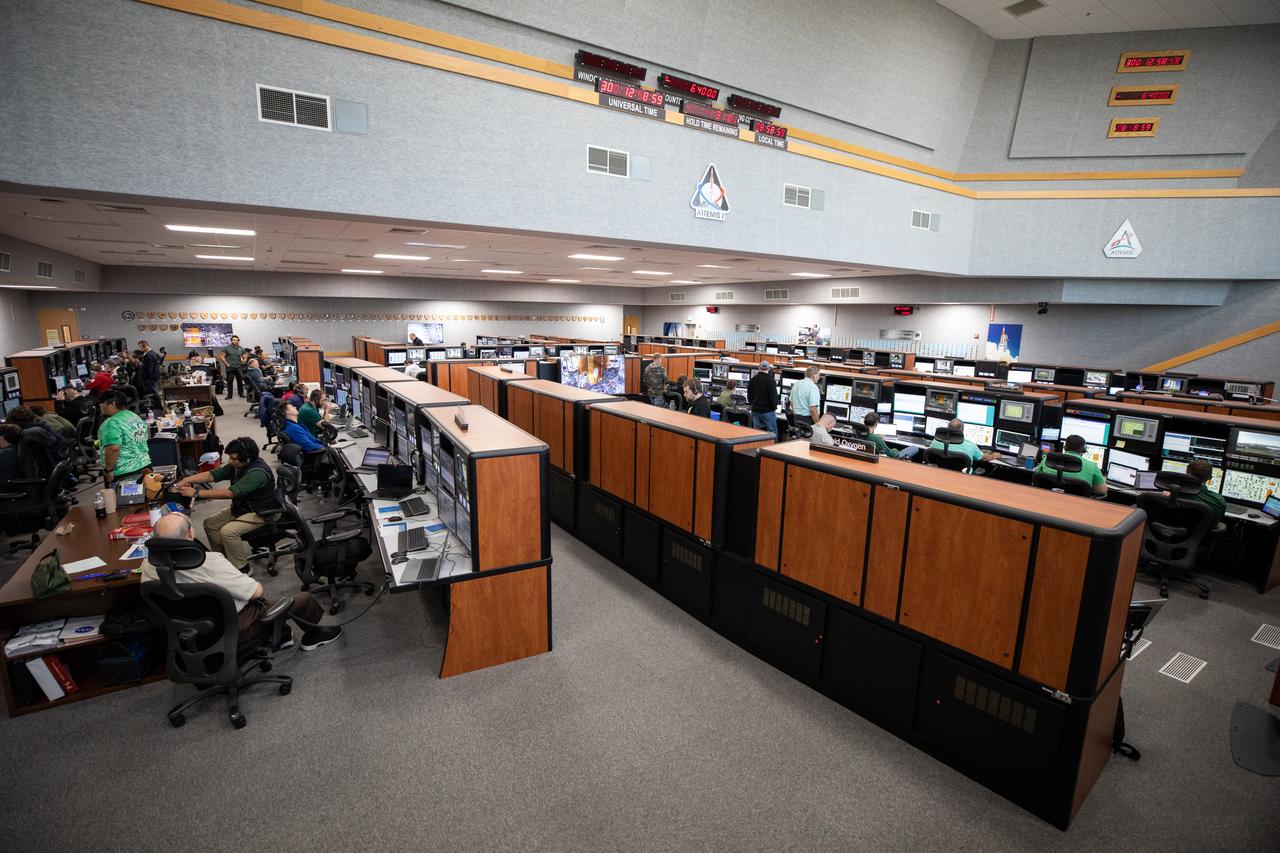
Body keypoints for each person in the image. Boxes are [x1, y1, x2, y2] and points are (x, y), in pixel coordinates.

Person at [142, 513, 342, 651]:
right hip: (235, 628)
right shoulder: (211, 562)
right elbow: (256, 592)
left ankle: (280, 634)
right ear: (190, 534)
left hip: (189, 633)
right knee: (303, 600)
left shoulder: (148, 566)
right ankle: (313, 636)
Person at [176, 437, 280, 570]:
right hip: (244, 508)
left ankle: (243, 568)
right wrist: (186, 480)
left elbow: (230, 493)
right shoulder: (237, 465)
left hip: (263, 512)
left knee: (228, 532)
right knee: (210, 524)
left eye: (233, 458)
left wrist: (196, 493)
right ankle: (224, 563)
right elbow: (212, 475)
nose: (230, 461)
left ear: (247, 458)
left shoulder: (258, 473)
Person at [96, 389, 152, 485]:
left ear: (113, 403)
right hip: (145, 466)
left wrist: (109, 470)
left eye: (103, 403)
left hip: (124, 472)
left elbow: (113, 448)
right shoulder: (134, 416)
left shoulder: (112, 423)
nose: (100, 406)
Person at [1034, 433, 1106, 495]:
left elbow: (1037, 476)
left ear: (1064, 447)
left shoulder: (1047, 459)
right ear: (1083, 450)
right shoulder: (1092, 466)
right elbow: (1102, 491)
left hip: (1046, 499)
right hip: (1076, 504)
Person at [929, 418, 997, 468]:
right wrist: (994, 455)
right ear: (962, 430)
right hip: (962, 477)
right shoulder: (971, 445)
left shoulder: (936, 441)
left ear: (948, 428)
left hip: (939, 474)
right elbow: (984, 458)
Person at [1185, 459, 1226, 524]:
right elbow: (1218, 520)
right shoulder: (1218, 501)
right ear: (1210, 478)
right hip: (1203, 530)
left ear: (1187, 475)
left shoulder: (1174, 494)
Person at [747, 361, 779, 436]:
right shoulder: (771, 380)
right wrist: (774, 407)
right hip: (768, 411)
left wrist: (753, 405)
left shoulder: (752, 380)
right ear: (769, 369)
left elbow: (749, 397)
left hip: (755, 411)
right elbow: (773, 397)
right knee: (772, 433)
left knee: (758, 434)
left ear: (759, 368)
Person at [218, 334, 246, 400]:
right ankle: (229, 395)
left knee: (240, 381)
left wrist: (243, 362)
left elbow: (244, 357)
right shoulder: (226, 348)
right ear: (231, 341)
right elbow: (222, 356)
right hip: (230, 368)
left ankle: (241, 394)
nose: (235, 341)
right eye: (234, 340)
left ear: (238, 341)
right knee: (229, 382)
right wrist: (226, 364)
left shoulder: (241, 348)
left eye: (237, 340)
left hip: (238, 367)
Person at [138, 339, 163, 408]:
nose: (140, 349)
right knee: (153, 391)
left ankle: (158, 405)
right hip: (153, 376)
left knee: (153, 391)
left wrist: (146, 376)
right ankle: (156, 404)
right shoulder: (152, 353)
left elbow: (149, 368)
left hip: (150, 377)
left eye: (140, 347)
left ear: (145, 346)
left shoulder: (149, 355)